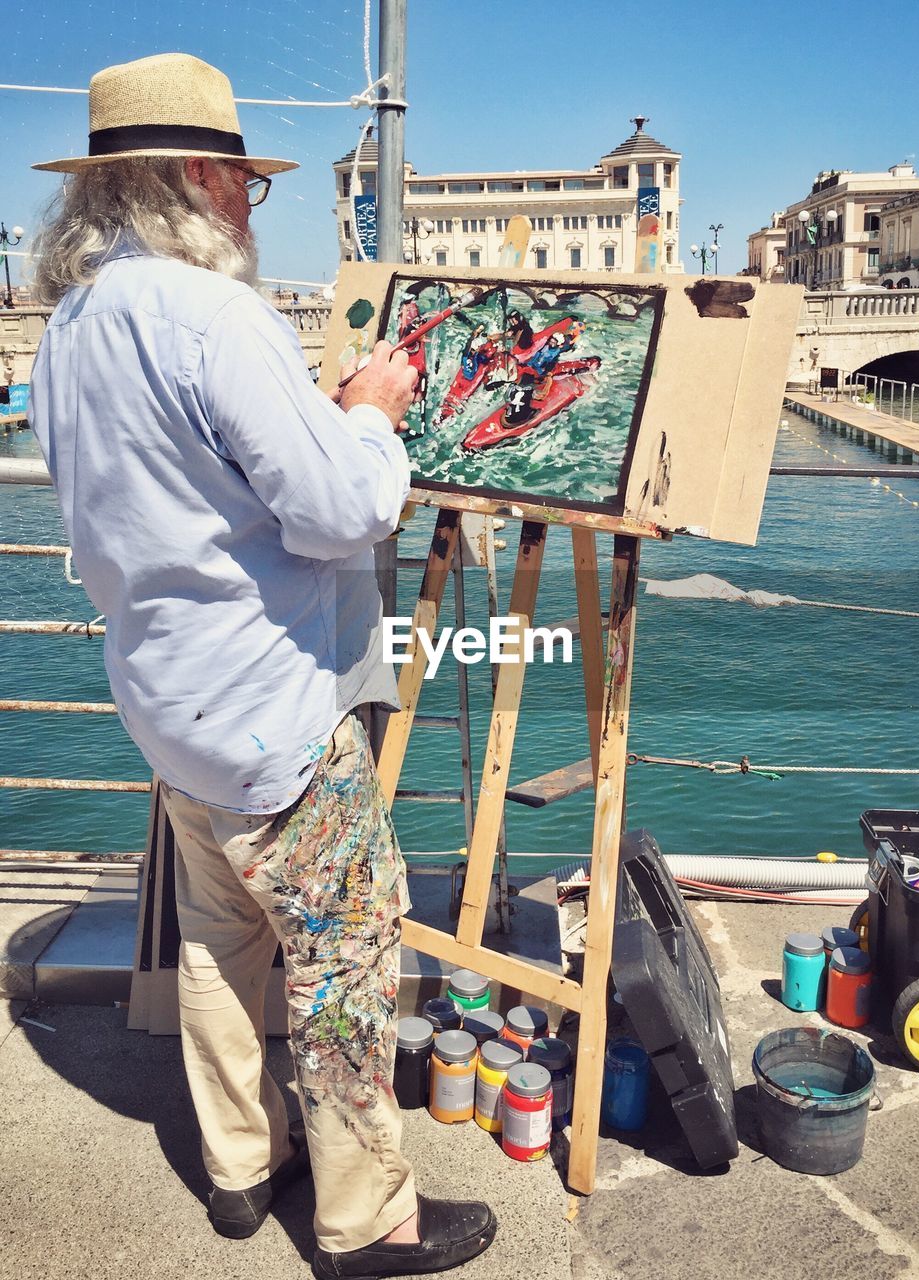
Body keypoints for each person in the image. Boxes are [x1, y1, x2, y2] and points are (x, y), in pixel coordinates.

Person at [28, 53, 495, 1280]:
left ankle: (240, 1165)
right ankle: (365, 1220)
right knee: (343, 960)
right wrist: (375, 404)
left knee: (219, 943)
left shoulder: (68, 326)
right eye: (244, 180)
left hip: (170, 707)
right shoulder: (210, 311)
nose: (249, 202)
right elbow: (341, 508)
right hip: (274, 717)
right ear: (195, 177)